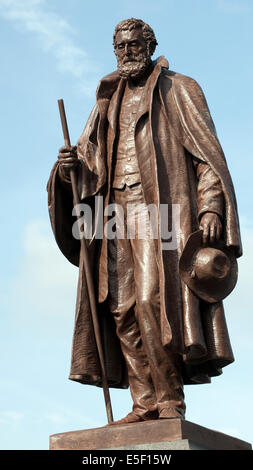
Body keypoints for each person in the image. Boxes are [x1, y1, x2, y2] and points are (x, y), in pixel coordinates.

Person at [47, 18, 242, 425]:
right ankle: (144, 401)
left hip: (163, 213)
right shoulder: (107, 99)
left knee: (156, 301)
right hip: (115, 213)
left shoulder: (179, 88)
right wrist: (68, 169)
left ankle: (169, 400)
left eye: (134, 44)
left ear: (150, 45)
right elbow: (87, 160)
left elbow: (207, 159)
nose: (127, 52)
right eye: (120, 47)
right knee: (120, 308)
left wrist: (210, 208)